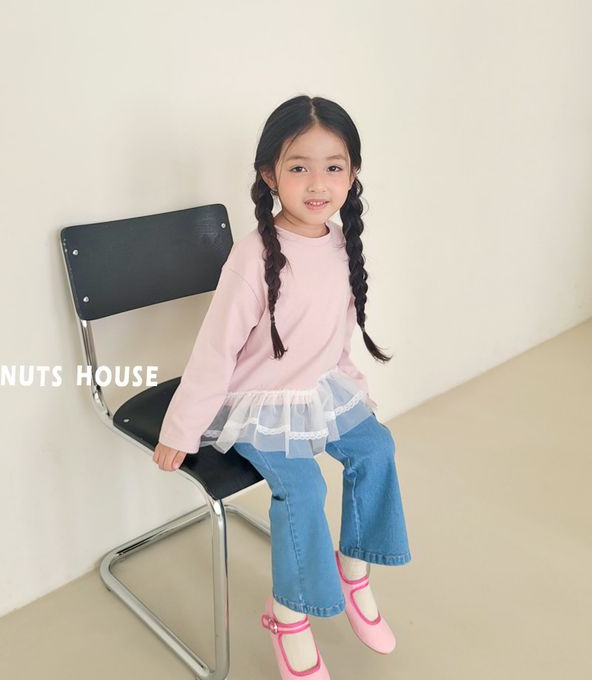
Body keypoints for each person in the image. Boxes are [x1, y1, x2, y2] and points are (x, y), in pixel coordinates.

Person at [153, 94, 411, 679]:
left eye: (333, 167)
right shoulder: (252, 258)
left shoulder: (343, 244)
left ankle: (354, 571)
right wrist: (181, 429)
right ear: (271, 174)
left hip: (320, 390)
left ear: (353, 172)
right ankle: (288, 614)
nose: (318, 183)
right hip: (260, 403)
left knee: (377, 447)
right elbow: (214, 351)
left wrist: (350, 391)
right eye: (299, 167)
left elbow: (331, 339)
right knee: (303, 488)